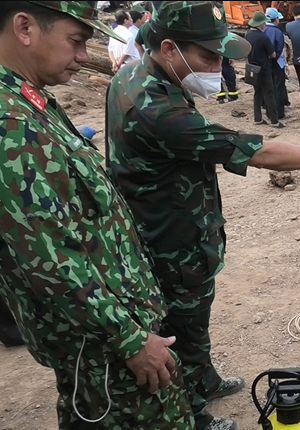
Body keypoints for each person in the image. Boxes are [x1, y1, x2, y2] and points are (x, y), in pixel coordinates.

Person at [104, 3, 300, 429]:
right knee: (179, 321)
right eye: (209, 57)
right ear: (171, 49)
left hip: (177, 223)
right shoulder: (157, 111)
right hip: (169, 236)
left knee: (195, 316)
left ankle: (204, 377)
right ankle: (193, 412)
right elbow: (258, 152)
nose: (217, 66)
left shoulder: (135, 73)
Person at [0, 1, 193, 428]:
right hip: (104, 344)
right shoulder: (9, 123)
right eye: (76, 41)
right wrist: (129, 338)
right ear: (25, 28)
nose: (84, 56)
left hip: (104, 333)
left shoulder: (29, 102)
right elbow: (47, 260)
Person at [247, 11, 282, 128]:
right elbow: (272, 54)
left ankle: (257, 118)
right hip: (264, 69)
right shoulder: (263, 37)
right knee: (269, 94)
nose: (265, 25)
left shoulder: (248, 34)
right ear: (260, 23)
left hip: (253, 68)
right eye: (264, 23)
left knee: (257, 93)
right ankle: (274, 120)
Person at [264, 7, 287, 120]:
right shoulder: (277, 31)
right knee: (279, 88)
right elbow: (279, 47)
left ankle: (269, 112)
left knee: (268, 88)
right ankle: (280, 112)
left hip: (265, 64)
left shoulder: (261, 30)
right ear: (275, 19)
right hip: (277, 63)